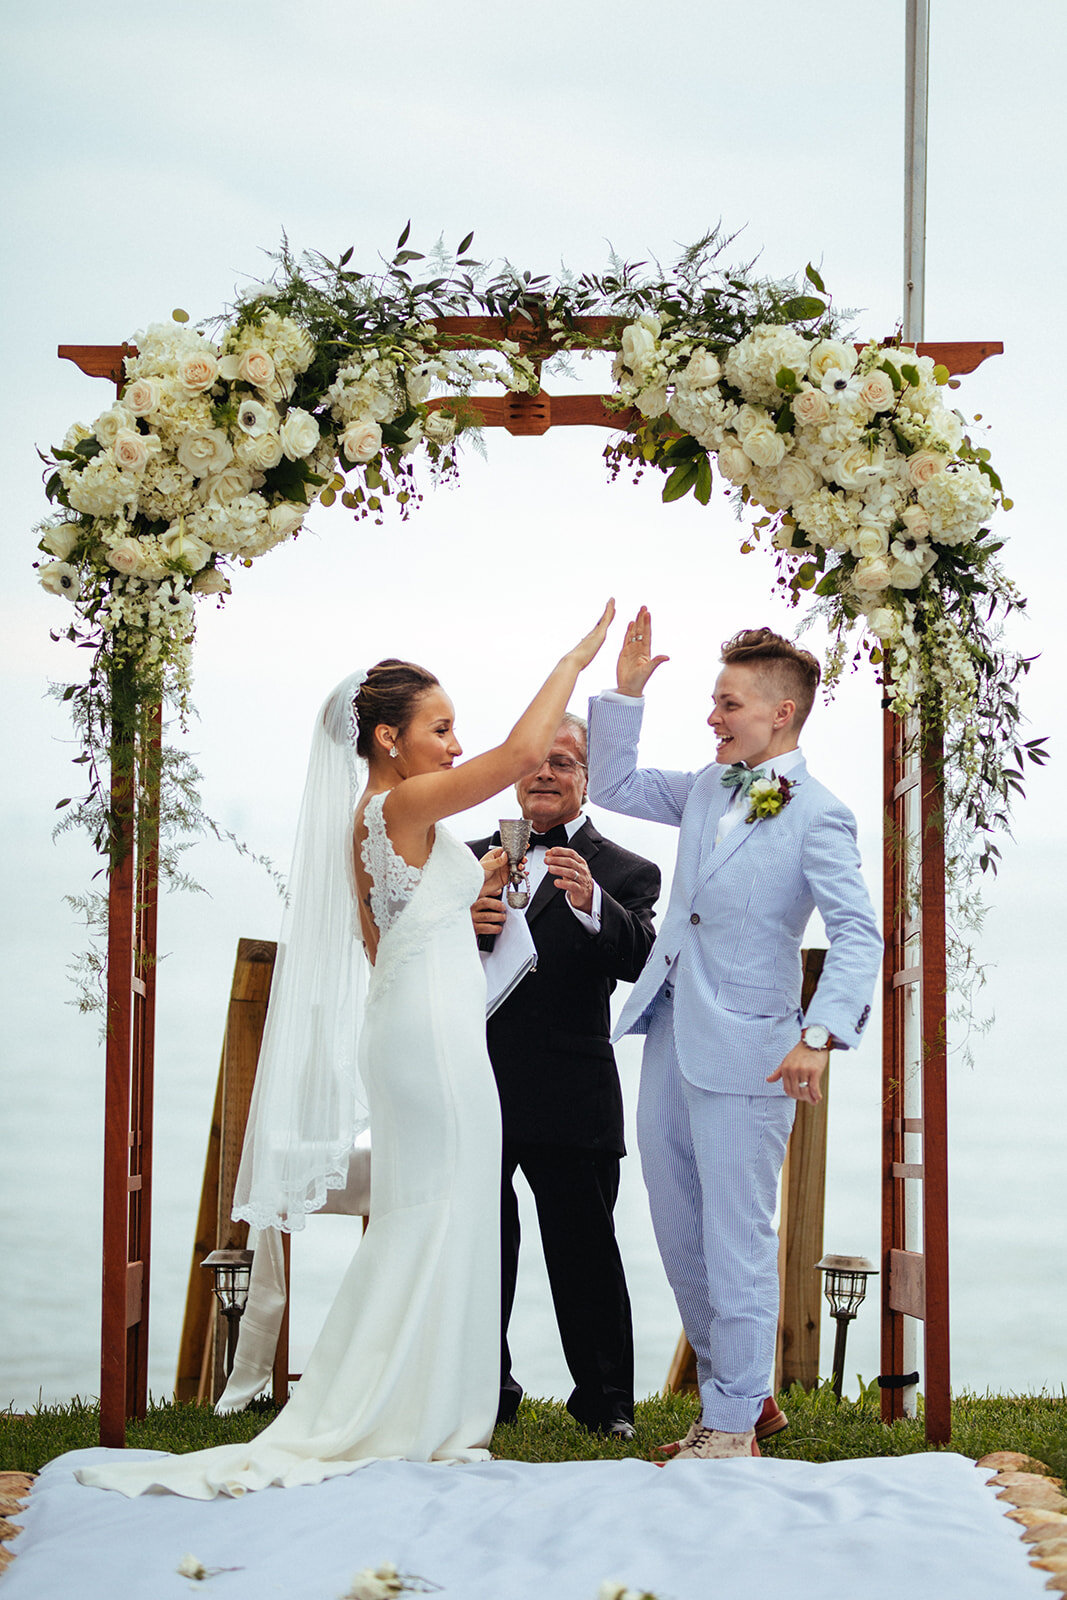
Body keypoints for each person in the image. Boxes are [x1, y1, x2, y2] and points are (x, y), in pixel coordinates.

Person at [75, 601, 615, 1499]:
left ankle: (422, 1398)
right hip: (434, 1037)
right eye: (439, 728)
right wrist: (572, 658)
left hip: (418, 1021)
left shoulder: (378, 817)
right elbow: (522, 758)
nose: (453, 743)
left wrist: (466, 888)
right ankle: (408, 1405)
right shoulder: (402, 801)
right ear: (387, 738)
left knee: (436, 1208)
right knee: (438, 1209)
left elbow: (384, 935)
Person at [587, 611, 883, 1462]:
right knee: (679, 1229)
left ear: (779, 713)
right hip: (670, 1025)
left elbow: (857, 933)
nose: (711, 718)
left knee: (736, 1233)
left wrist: (818, 1035)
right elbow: (613, 786)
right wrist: (626, 693)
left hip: (755, 1050)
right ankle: (743, 1399)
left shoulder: (819, 815)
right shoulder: (710, 786)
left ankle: (727, 1426)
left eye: (726, 703)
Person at [468, 714, 660, 1439]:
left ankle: (605, 1402)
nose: (545, 773)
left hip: (571, 1089)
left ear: (586, 779)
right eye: (534, 762)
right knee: (481, 1247)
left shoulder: (626, 871)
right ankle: (485, 1389)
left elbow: (641, 961)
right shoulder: (465, 859)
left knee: (585, 1254)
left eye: (564, 762)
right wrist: (466, 925)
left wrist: (589, 906)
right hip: (477, 1081)